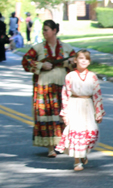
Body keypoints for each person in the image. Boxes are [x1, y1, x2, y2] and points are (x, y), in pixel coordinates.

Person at [22, 20, 76, 156]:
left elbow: (77, 62)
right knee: (46, 115)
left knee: (63, 115)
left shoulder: (67, 48)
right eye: (43, 30)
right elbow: (26, 61)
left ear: (54, 31)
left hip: (62, 86)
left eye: (46, 30)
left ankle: (65, 144)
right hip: (43, 88)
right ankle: (50, 147)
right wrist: (40, 66)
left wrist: (69, 63)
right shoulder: (38, 48)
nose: (44, 32)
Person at [55, 50, 105, 171]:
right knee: (76, 131)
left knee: (91, 131)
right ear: (75, 60)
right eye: (81, 58)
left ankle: (83, 153)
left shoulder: (92, 76)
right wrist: (65, 113)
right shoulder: (70, 76)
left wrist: (98, 111)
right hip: (74, 105)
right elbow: (65, 94)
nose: (84, 61)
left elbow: (97, 94)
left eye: (86, 59)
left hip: (88, 105)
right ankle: (77, 162)